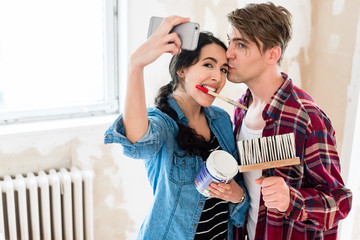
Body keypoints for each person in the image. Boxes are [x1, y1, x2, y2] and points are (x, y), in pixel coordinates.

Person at [104, 16, 249, 239]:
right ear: (182, 69)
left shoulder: (221, 119)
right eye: (208, 65)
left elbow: (237, 183)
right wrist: (136, 66)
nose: (217, 77)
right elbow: (138, 142)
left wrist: (238, 195)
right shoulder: (162, 122)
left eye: (223, 70)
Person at [226, 2, 352, 240]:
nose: (228, 53)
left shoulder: (307, 118)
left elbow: (339, 202)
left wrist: (292, 199)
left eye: (241, 45)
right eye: (230, 42)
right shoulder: (242, 106)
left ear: (272, 54)